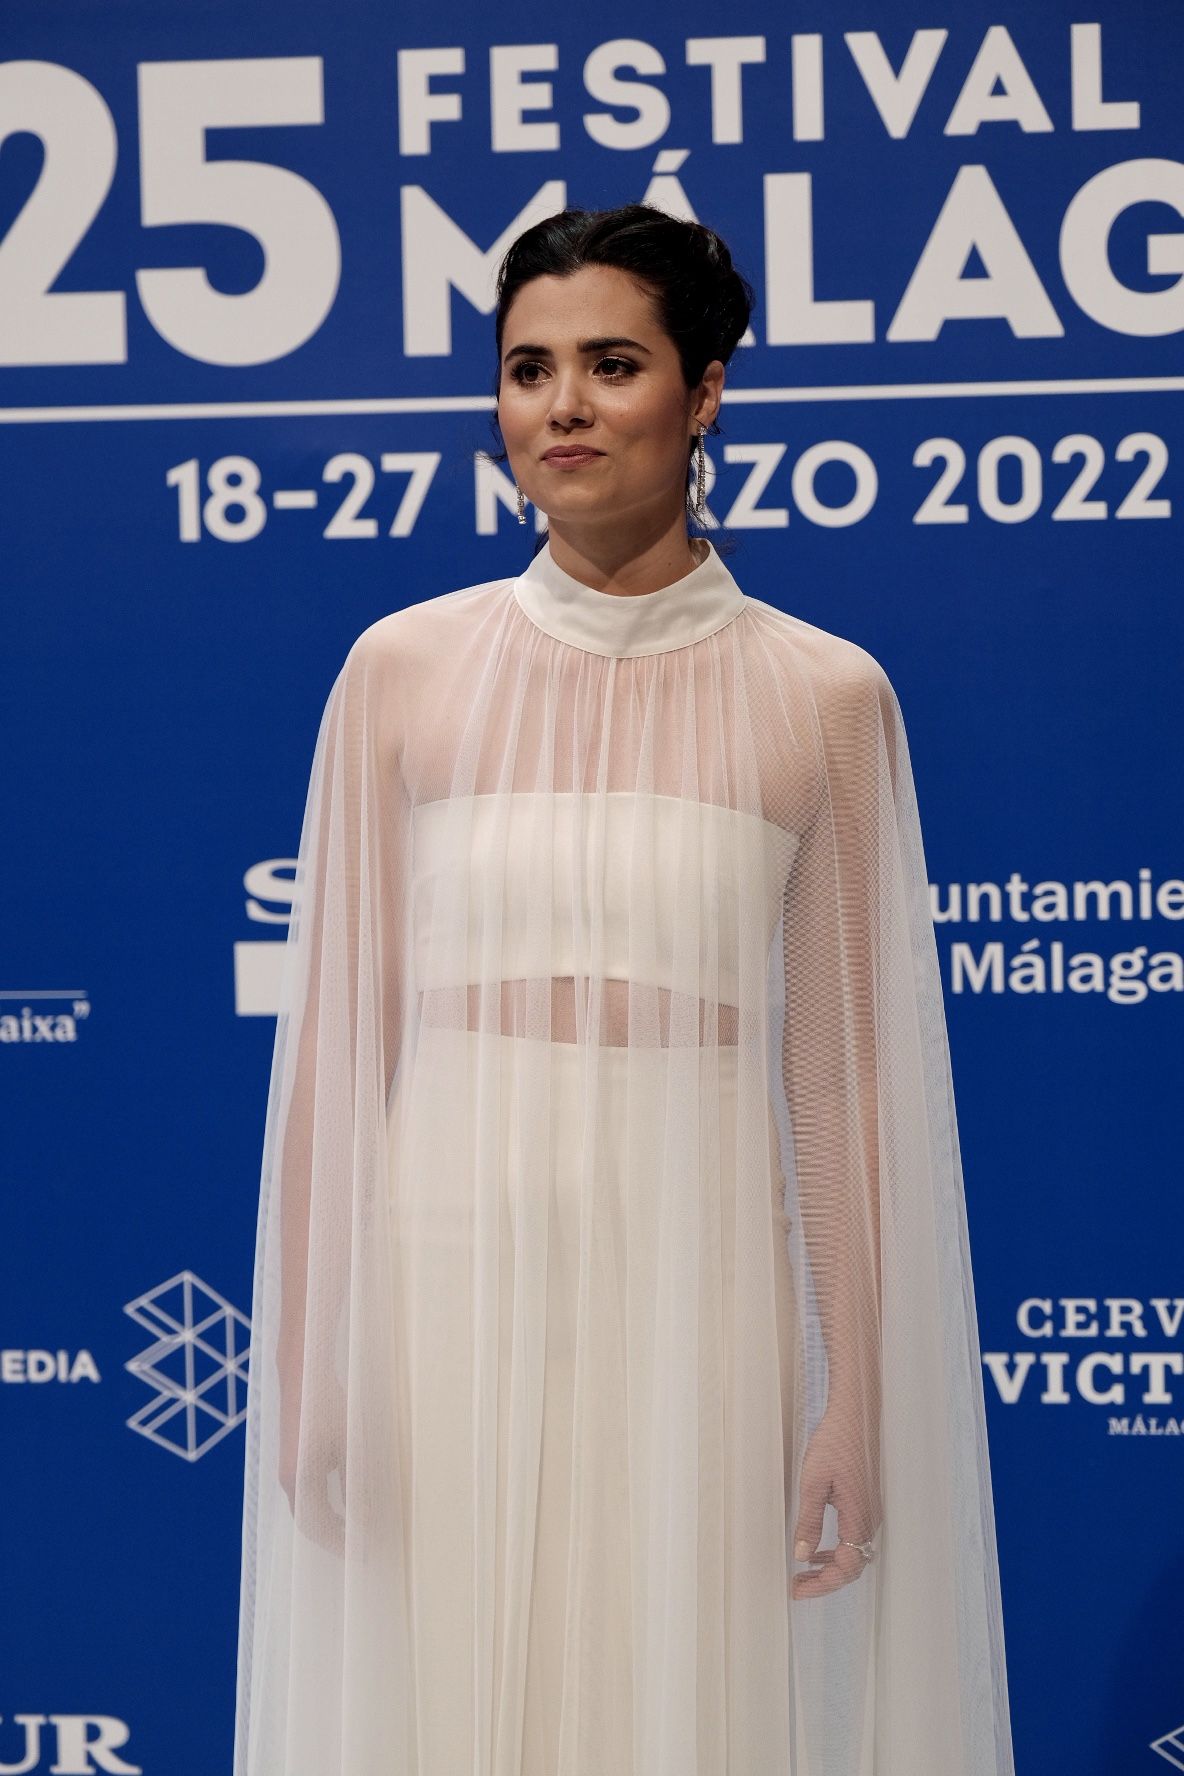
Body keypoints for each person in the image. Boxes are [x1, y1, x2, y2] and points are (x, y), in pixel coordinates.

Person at [233, 203, 1016, 1775]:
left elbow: (840, 1079)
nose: (563, 407)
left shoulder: (826, 697)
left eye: (611, 363)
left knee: (682, 1705)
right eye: (528, 370)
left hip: (700, 1275)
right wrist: (312, 1364)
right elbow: (344, 1043)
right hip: (438, 1277)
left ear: (706, 391)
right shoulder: (398, 671)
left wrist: (852, 1396)